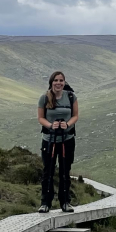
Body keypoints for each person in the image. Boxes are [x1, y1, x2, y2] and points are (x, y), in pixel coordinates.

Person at [37, 71, 78, 213]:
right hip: (49, 141)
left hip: (67, 140)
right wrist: (50, 125)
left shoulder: (71, 97)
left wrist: (67, 124)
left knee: (65, 171)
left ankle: (65, 202)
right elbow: (40, 118)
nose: (58, 83)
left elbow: (75, 115)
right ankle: (45, 203)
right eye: (56, 80)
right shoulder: (44, 98)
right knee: (48, 171)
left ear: (64, 82)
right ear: (51, 82)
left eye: (61, 80)